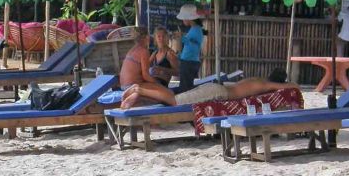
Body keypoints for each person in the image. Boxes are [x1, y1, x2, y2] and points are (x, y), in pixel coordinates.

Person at [120, 70, 297, 108]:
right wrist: (293, 86)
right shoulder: (263, 84)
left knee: (173, 99)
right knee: (175, 101)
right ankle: (140, 90)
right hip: (218, 92)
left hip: (217, 89)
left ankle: (140, 95)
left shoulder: (257, 79)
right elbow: (284, 87)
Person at [175, 4, 205, 93]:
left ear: (189, 18)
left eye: (184, 18)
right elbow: (190, 46)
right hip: (189, 61)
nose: (183, 20)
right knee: (186, 86)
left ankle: (184, 105)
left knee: (185, 88)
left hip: (189, 63)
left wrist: (182, 38)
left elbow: (194, 45)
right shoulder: (195, 29)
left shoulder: (196, 29)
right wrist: (180, 55)